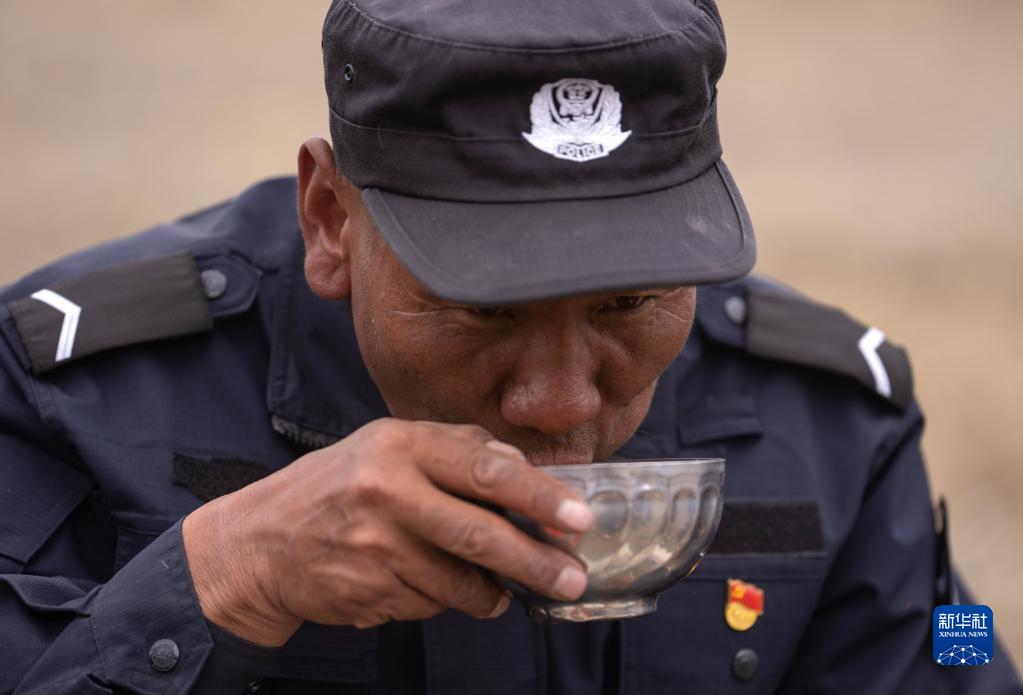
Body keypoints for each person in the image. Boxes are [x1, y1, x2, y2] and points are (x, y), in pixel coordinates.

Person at [1, 0, 1020, 693]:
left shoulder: (837, 424)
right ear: (331, 219)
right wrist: (224, 577)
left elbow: (955, 656)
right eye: (484, 307)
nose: (561, 400)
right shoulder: (72, 395)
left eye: (628, 302)